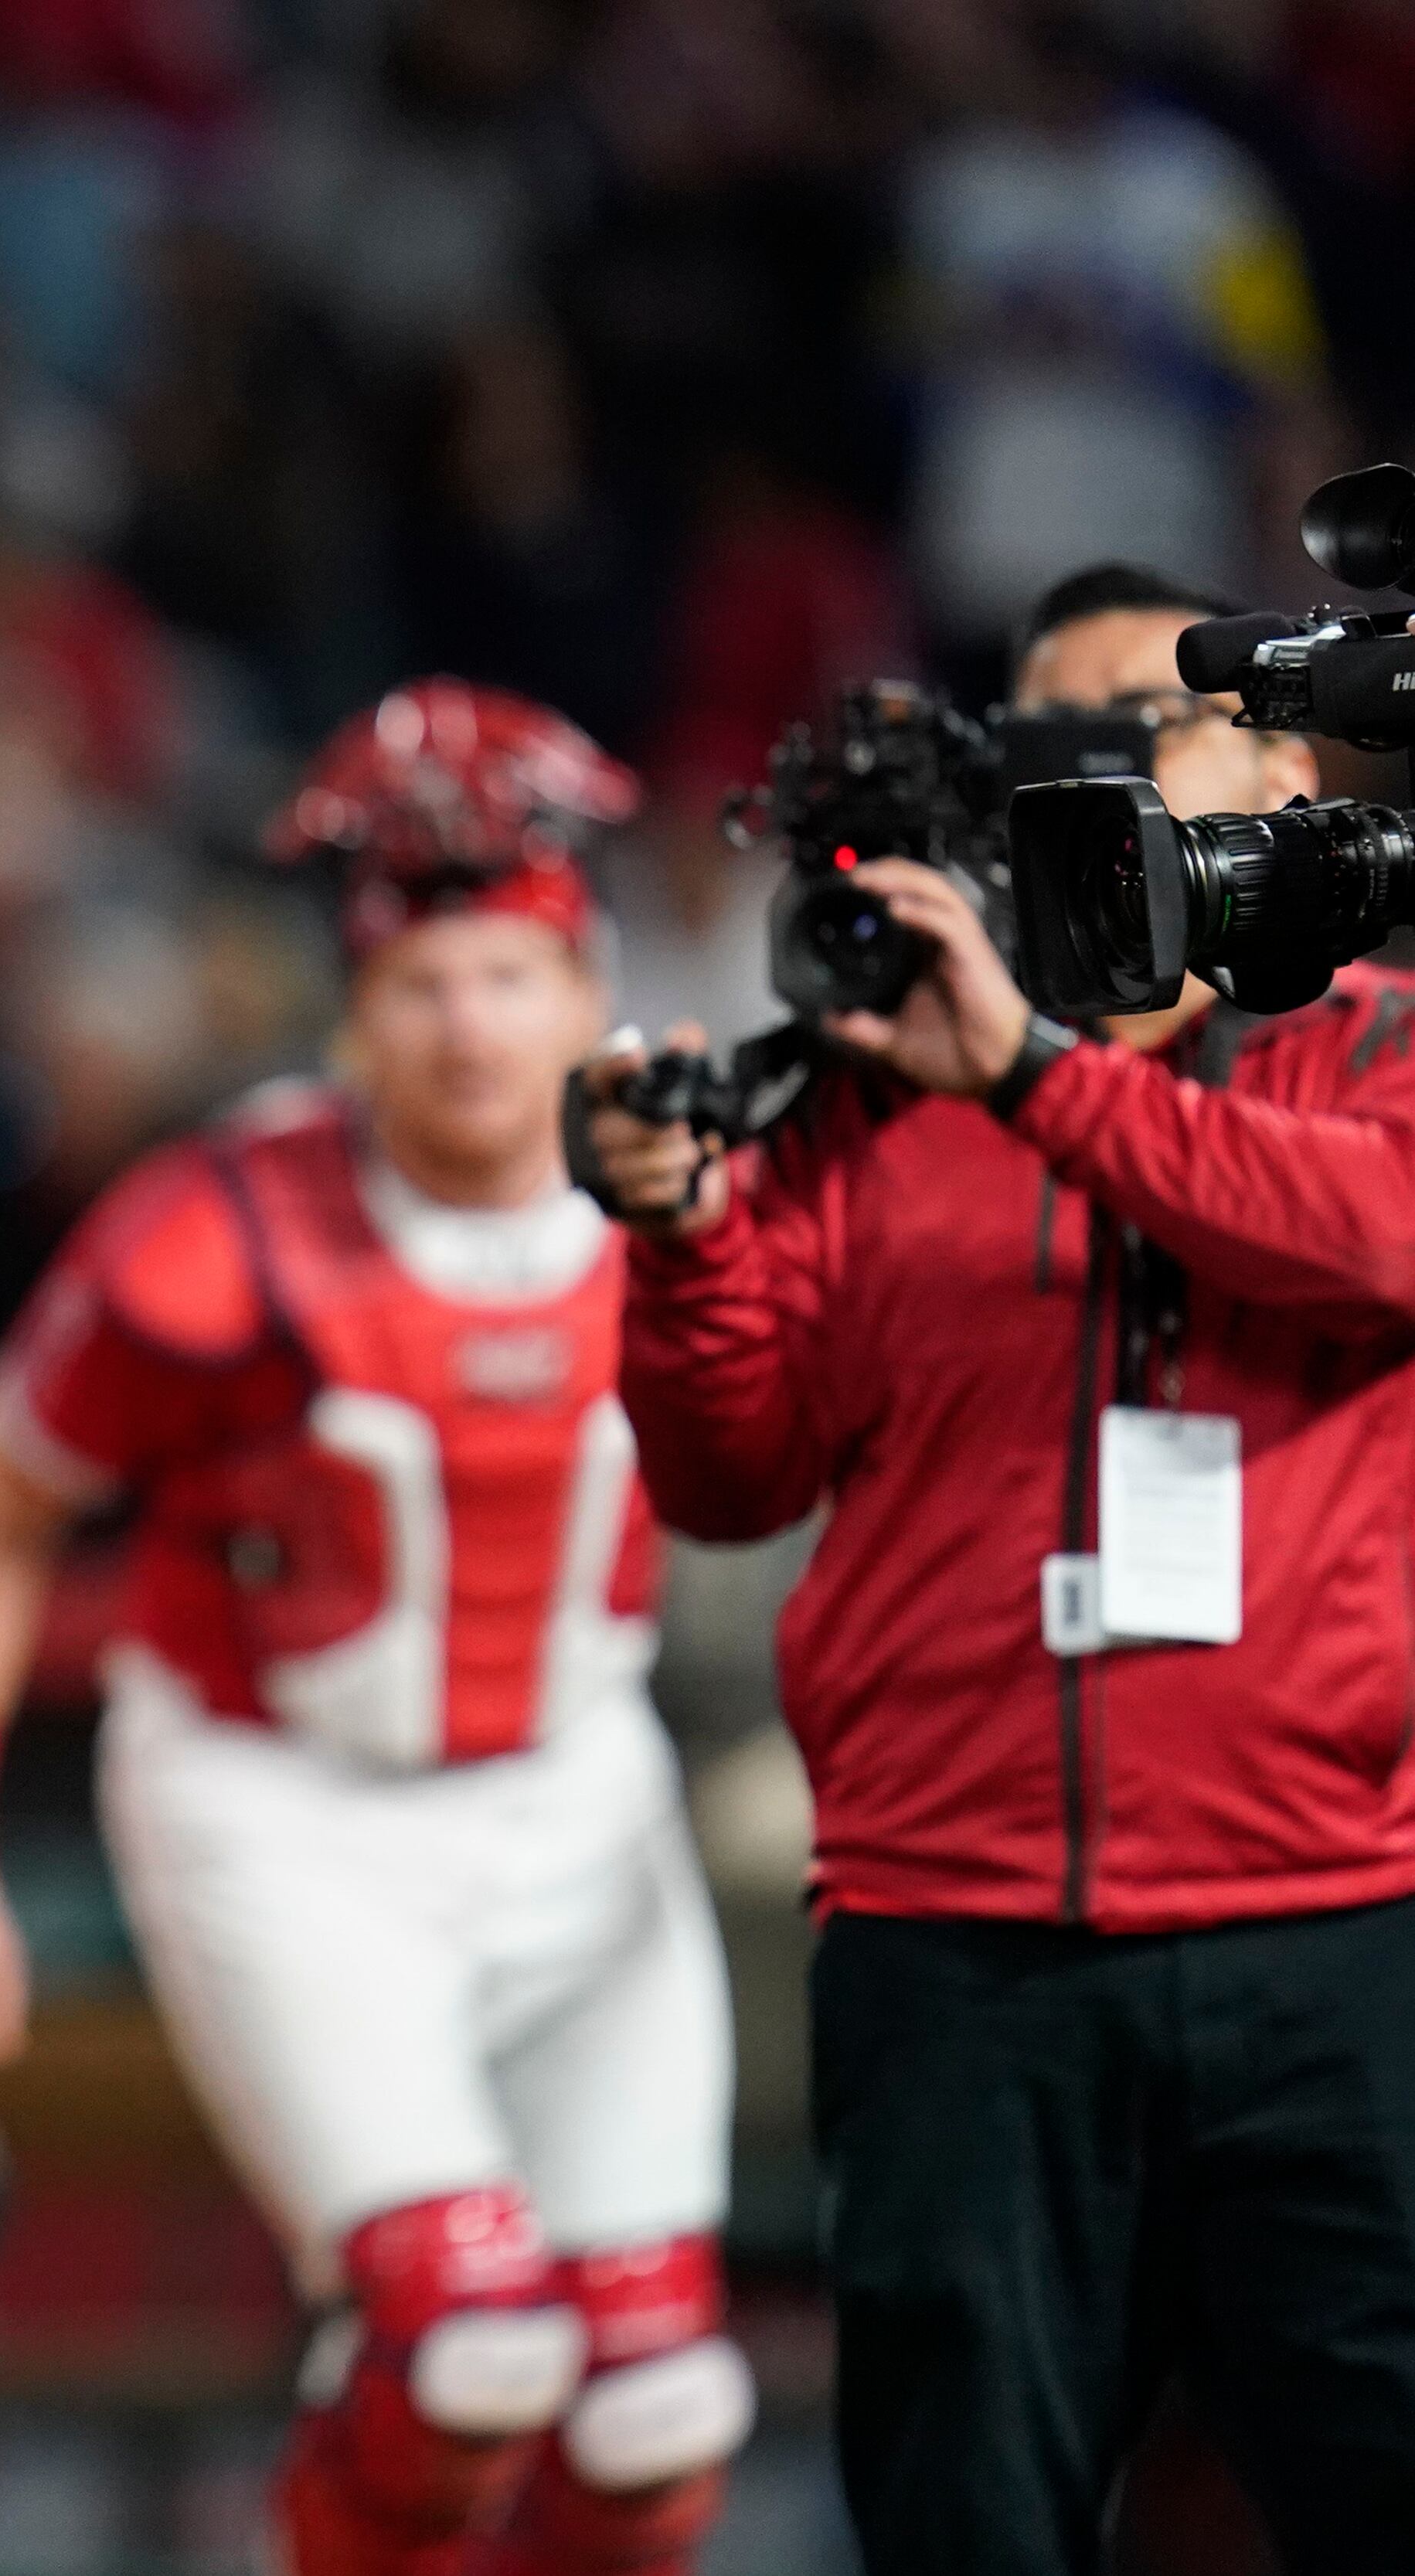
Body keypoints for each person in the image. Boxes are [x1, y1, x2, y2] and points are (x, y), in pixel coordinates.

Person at [0, 681, 753, 2576]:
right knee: (467, 2350)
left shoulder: (689, 1196)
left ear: (586, 988)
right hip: (285, 1803)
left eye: (506, 978)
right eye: (421, 983)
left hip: (583, 1789)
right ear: (354, 1010)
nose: (467, 1027)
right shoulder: (216, 1230)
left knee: (662, 2403)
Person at [577, 563, 1415, 2574]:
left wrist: (1036, 1075)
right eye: (1059, 737)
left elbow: (1381, 1242)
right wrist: (682, 1236)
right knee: (971, 2527)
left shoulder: (1375, 1036)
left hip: (1330, 1921)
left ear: (1286, 762)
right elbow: (728, 1464)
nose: (1103, 771)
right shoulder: (870, 1082)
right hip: (961, 1937)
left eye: (1155, 722)